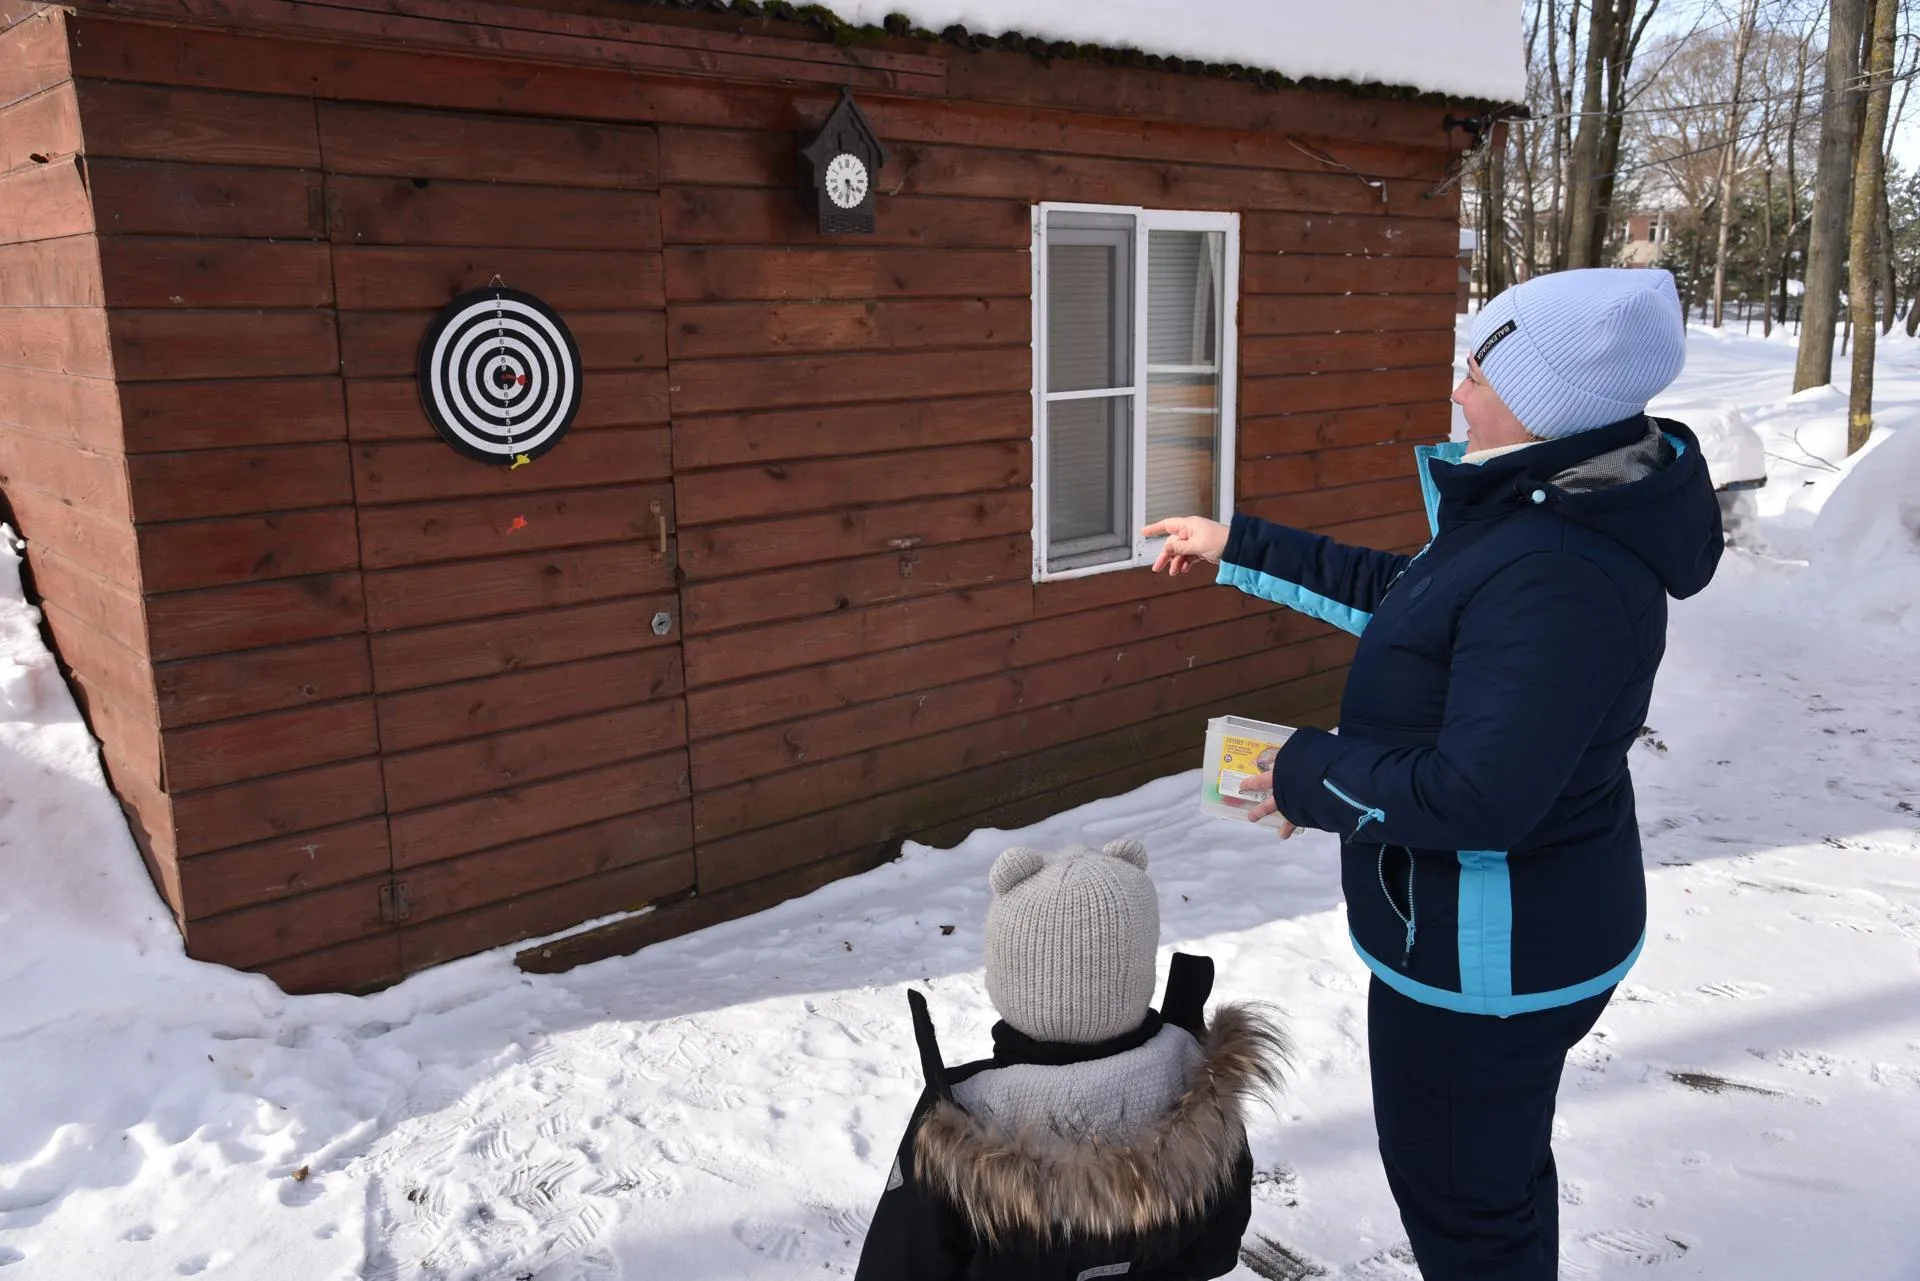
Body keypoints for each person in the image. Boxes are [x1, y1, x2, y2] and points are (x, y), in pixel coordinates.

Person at [1143, 268, 1722, 1281]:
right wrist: (1238, 545)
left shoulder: (1559, 570)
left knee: (1464, 1208)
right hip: (1500, 929)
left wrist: (1297, 774)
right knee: (1486, 1177)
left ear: (1544, 403)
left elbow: (1479, 797)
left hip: (1484, 959)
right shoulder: (1541, 511)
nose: (1457, 391)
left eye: (1476, 371)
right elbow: (1414, 603)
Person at [853, 838, 1290, 1281]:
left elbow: (896, 1265)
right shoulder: (1199, 1085)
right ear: (1134, 970)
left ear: (1008, 979)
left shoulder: (964, 1119)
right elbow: (1217, 1248)